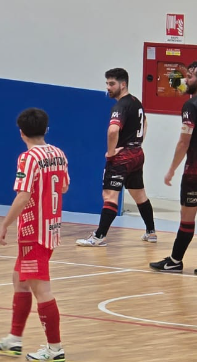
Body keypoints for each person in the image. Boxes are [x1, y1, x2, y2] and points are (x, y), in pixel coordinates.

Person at [0, 108, 69, 362]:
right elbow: (64, 186)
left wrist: (4, 224)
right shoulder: (58, 153)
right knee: (19, 280)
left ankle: (55, 349)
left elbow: (23, 196)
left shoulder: (28, 158)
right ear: (46, 129)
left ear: (21, 133)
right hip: (51, 228)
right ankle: (14, 339)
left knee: (41, 289)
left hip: (34, 232)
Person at [150, 61, 197, 277]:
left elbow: (184, 142)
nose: (185, 80)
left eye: (190, 76)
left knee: (187, 218)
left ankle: (175, 261)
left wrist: (171, 169)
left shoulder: (192, 105)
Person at [76, 68, 156, 247]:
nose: (108, 87)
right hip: (137, 154)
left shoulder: (120, 106)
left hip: (122, 157)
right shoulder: (136, 102)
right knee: (139, 194)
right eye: (107, 83)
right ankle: (151, 232)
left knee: (109, 196)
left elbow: (113, 130)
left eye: (112, 84)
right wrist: (137, 143)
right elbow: (145, 123)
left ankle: (99, 236)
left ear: (123, 84)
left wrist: (111, 152)